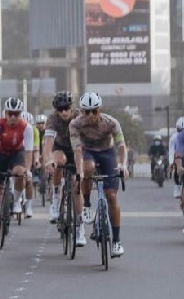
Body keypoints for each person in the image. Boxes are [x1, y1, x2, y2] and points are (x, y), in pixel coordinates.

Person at [70, 92, 128, 256]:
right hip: (87, 152)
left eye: (94, 111)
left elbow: (121, 145)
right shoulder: (75, 124)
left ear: (99, 110)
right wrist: (80, 171)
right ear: (81, 111)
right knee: (87, 168)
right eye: (86, 111)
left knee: (111, 196)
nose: (90, 115)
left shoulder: (111, 122)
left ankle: (116, 241)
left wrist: (123, 165)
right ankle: (87, 204)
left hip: (107, 153)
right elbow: (77, 150)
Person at [0, 97, 34, 235]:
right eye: (10, 113)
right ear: (5, 113)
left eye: (16, 114)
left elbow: (29, 151)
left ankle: (17, 201)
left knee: (20, 173)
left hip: (16, 153)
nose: (13, 117)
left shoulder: (27, 127)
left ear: (20, 114)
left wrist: (28, 170)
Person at [42, 91, 81, 229]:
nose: (64, 112)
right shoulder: (53, 119)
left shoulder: (79, 117)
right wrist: (48, 160)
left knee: (76, 182)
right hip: (60, 147)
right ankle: (56, 198)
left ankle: (79, 219)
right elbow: (48, 143)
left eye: (67, 108)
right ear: (56, 110)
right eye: (60, 109)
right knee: (59, 161)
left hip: (76, 149)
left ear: (72, 107)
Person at [21, 111, 40, 218]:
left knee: (28, 180)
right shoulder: (15, 128)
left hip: (29, 154)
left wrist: (36, 160)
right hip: (16, 154)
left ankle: (28, 207)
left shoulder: (34, 131)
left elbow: (36, 149)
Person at [169, 117, 184, 199]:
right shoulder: (174, 138)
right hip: (178, 157)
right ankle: (177, 187)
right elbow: (171, 151)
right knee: (176, 169)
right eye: (180, 130)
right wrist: (171, 162)